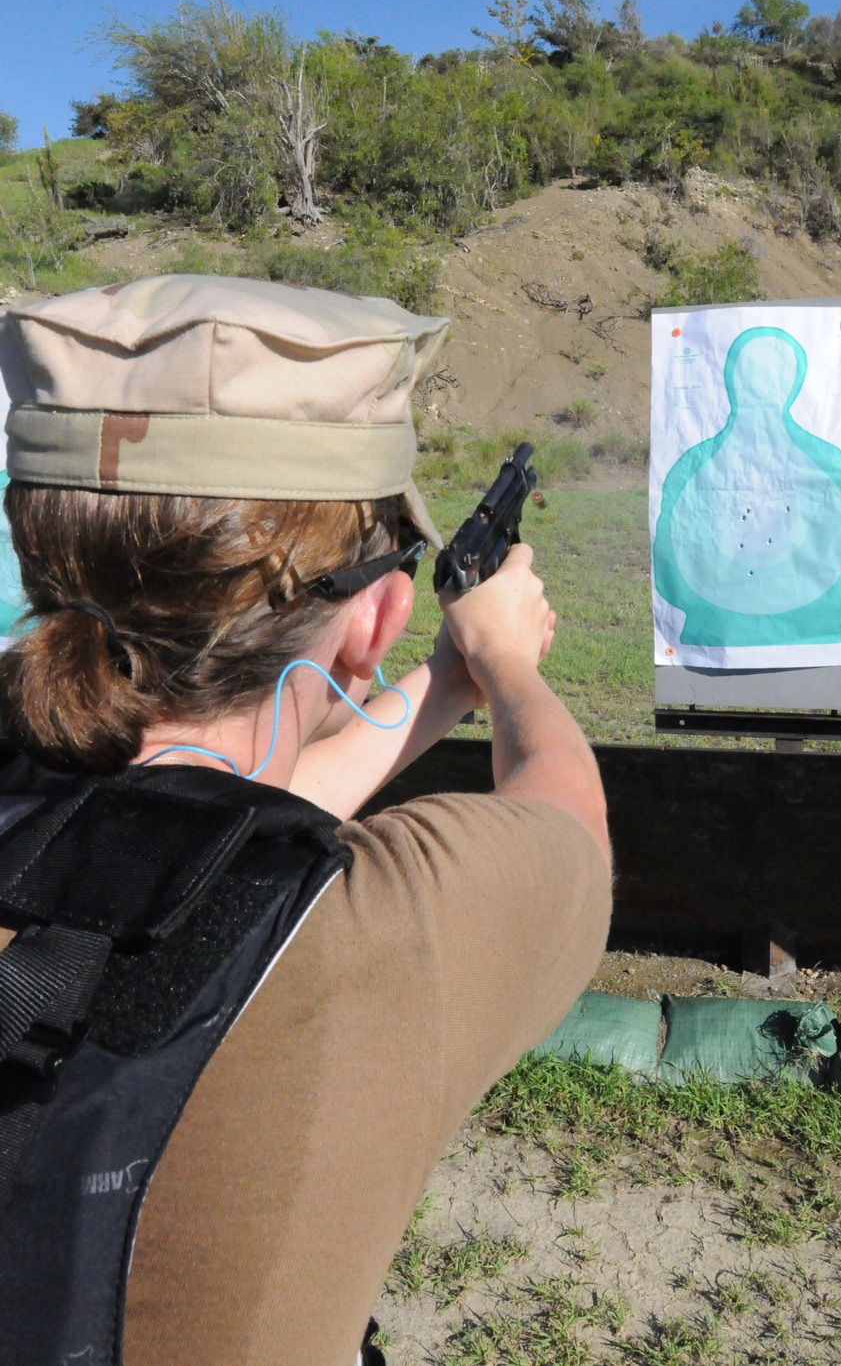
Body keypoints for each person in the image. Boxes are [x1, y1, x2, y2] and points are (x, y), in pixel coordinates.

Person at [0, 274, 612, 1366]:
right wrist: (509, 665)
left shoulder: (36, 828)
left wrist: (438, 688)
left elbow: (190, 849)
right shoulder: (386, 932)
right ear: (376, 612)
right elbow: (568, 827)